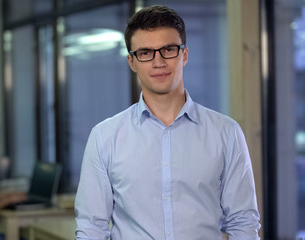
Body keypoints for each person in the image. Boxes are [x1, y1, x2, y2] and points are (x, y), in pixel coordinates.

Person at [75, 5, 261, 240]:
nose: (158, 62)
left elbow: (242, 223)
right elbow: (91, 228)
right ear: (132, 62)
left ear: (184, 54)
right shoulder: (104, 137)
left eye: (168, 49)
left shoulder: (226, 133)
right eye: (145, 53)